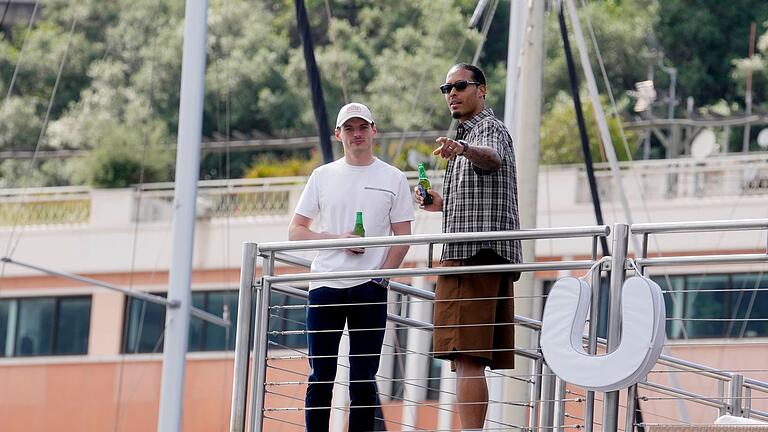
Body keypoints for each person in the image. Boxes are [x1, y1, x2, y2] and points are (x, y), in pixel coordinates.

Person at [289, 102, 414, 432]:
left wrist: (381, 277)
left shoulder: (393, 177)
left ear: (373, 130)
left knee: (363, 379)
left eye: (362, 127)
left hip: (369, 288)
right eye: (349, 128)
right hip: (326, 285)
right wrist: (337, 239)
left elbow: (403, 236)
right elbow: (296, 230)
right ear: (338, 134)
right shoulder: (322, 176)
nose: (356, 134)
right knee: (321, 376)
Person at [414, 63, 522, 431]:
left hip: (471, 256)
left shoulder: (486, 129)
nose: (452, 94)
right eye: (446, 88)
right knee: (466, 358)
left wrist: (462, 148)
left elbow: (492, 159)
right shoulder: (470, 137)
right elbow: (478, 195)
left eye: (460, 85)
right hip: (479, 254)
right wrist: (438, 202)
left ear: (482, 90)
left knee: (467, 357)